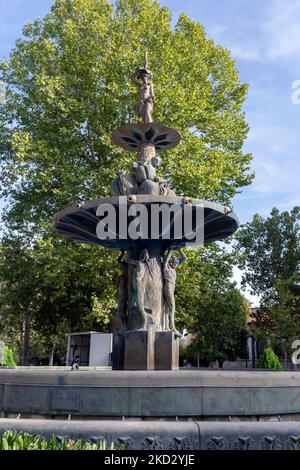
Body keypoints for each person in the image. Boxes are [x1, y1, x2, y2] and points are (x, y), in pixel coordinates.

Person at [163, 248, 186, 338]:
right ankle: (172, 328)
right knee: (172, 307)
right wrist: (170, 250)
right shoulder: (166, 267)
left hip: (172, 289)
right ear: (170, 262)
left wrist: (179, 250)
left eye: (177, 262)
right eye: (174, 261)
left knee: (167, 309)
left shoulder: (173, 269)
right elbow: (166, 260)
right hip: (168, 288)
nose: (176, 263)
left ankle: (166, 327)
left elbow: (184, 258)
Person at [126, 249, 150, 329]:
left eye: (142, 255)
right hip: (137, 288)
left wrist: (128, 252)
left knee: (140, 308)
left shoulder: (139, 263)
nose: (140, 256)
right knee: (134, 305)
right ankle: (141, 323)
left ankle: (144, 326)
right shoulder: (143, 266)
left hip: (139, 287)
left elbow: (128, 260)